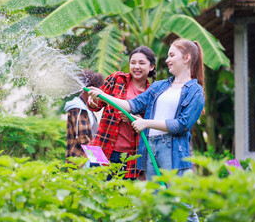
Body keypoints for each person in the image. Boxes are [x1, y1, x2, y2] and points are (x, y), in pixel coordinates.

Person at [88, 38, 205, 179]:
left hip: (132, 154)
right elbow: (132, 105)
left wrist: (145, 122)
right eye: (133, 62)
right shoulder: (157, 86)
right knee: (96, 186)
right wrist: (102, 96)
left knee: (172, 197)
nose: (167, 60)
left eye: (172, 55)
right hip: (103, 146)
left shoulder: (193, 90)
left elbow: (182, 124)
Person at [87, 46, 156, 180]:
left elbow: (151, 124)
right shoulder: (116, 78)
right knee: (94, 190)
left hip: (129, 156)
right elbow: (96, 106)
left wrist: (135, 120)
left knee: (120, 197)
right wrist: (93, 100)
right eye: (133, 62)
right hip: (100, 146)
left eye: (142, 63)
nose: (136, 66)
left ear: (151, 67)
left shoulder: (153, 93)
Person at [64, 69, 104, 162]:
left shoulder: (87, 108)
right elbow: (83, 138)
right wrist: (100, 160)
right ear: (89, 89)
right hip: (79, 162)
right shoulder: (78, 108)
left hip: (87, 161)